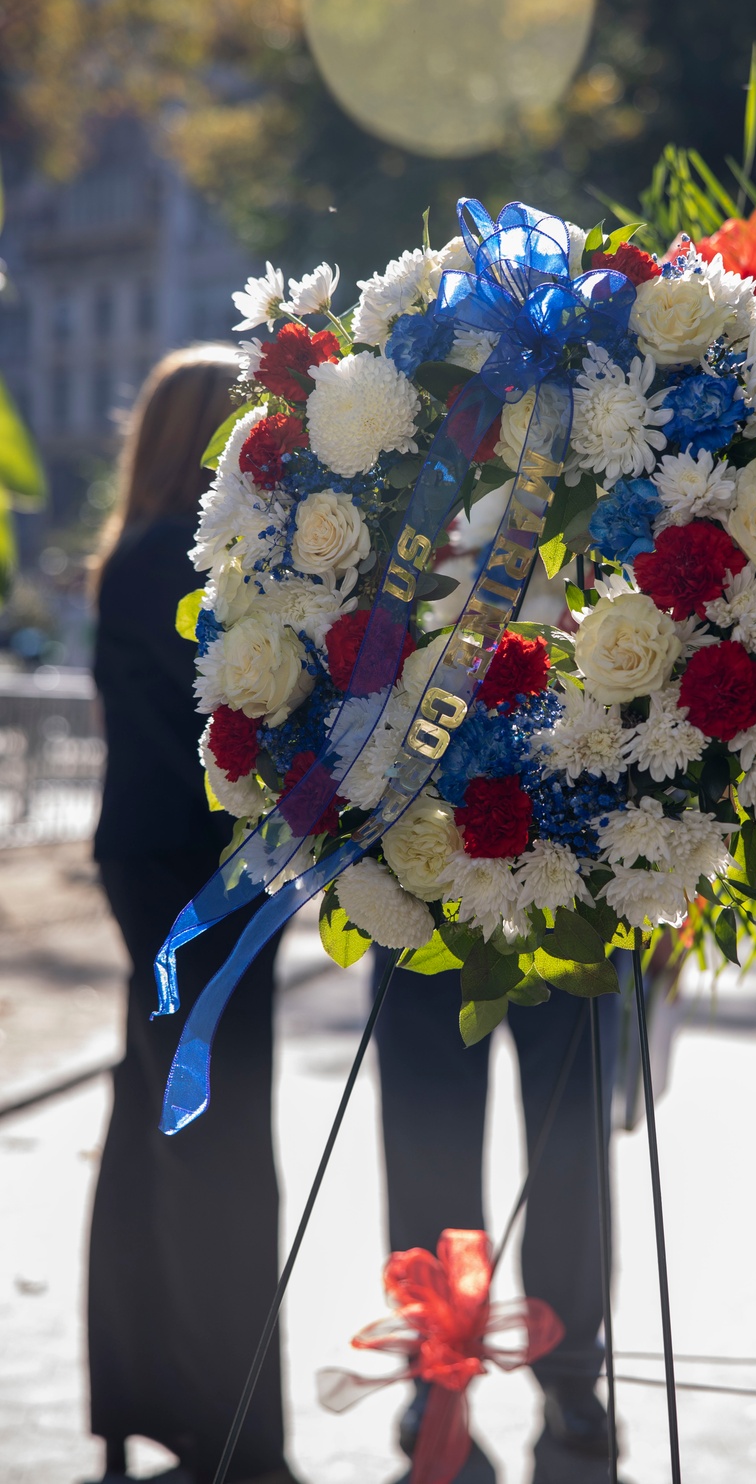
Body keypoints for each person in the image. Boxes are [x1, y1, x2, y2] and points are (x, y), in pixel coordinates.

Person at [87, 347, 295, 1484]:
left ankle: (149, 1400)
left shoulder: (133, 551)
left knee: (155, 1125)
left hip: (155, 866)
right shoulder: (188, 558)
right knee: (217, 1138)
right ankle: (231, 1427)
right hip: (199, 880)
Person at [372, 950, 621, 1484]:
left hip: (579, 897)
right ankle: (439, 1371)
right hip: (422, 900)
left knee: (572, 1143)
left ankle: (571, 1373)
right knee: (429, 1140)